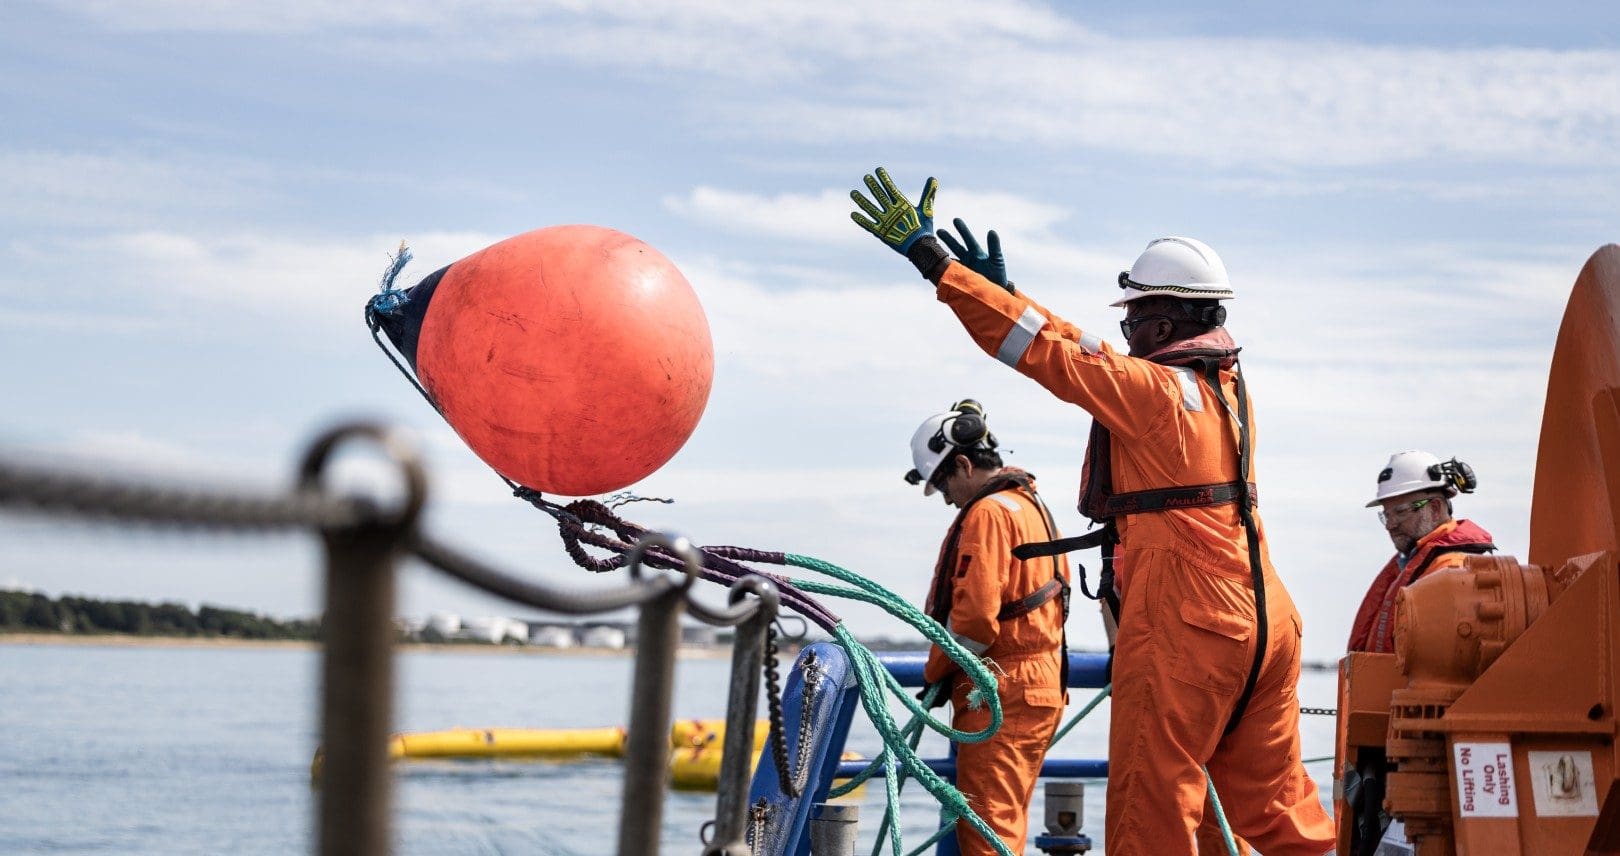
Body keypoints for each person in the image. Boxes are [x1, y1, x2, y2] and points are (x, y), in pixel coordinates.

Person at [852, 167, 1335, 855]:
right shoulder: (1226, 391)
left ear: (1163, 318)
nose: (1126, 326)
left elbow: (1050, 354)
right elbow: (1083, 349)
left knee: (1152, 810)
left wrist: (939, 266)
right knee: (1280, 813)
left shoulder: (1158, 394)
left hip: (1189, 621)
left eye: (1133, 313)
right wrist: (1009, 295)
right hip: (1265, 620)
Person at [904, 399, 1070, 856]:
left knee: (986, 833)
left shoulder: (988, 514)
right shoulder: (1030, 506)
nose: (948, 500)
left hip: (1002, 690)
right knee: (1004, 823)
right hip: (1039, 686)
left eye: (944, 486)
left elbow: (976, 624)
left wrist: (933, 675)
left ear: (962, 463)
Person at [1348, 450, 1494, 653]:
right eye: (1386, 515)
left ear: (1435, 508)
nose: (1390, 525)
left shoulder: (1453, 572)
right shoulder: (1414, 564)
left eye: (1400, 512)